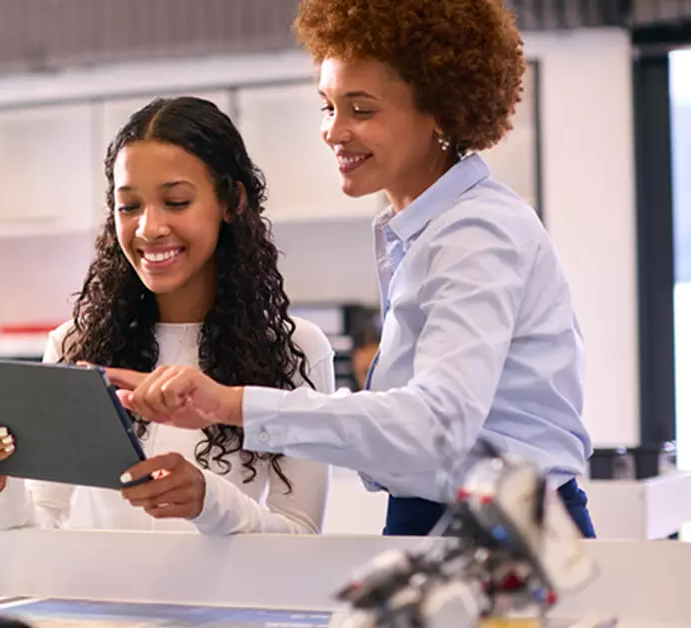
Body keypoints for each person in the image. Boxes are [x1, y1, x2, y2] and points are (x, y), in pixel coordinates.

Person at [100, 0, 597, 540]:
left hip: (506, 531)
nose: (333, 132)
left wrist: (231, 404)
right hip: (448, 520)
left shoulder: (477, 234)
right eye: (328, 106)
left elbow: (436, 427)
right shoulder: (421, 229)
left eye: (361, 110)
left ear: (441, 112)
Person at [0, 96, 334, 535]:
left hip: (232, 604)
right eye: (129, 207)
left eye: (176, 202)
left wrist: (210, 502)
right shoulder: (75, 346)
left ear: (231, 201)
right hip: (109, 601)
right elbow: (38, 532)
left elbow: (301, 536)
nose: (149, 228)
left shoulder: (294, 349)